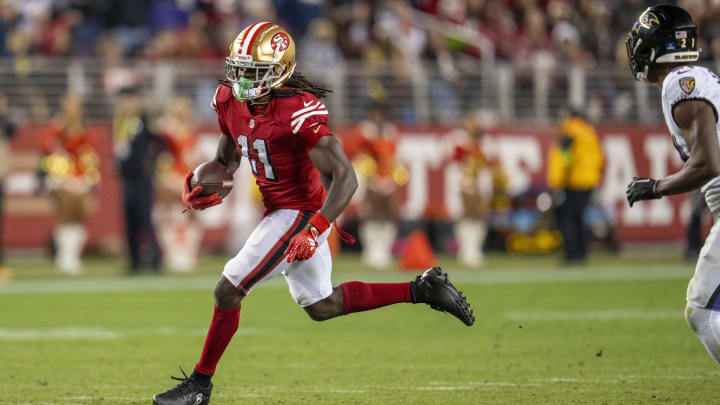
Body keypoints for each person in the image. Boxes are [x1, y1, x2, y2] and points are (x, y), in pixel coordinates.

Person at [153, 23, 475, 405]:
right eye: (238, 68)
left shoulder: (295, 109)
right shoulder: (228, 98)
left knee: (228, 287)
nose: (241, 79)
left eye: (253, 71)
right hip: (279, 209)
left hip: (300, 211)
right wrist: (208, 180)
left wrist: (315, 228)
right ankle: (422, 290)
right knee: (322, 306)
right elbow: (228, 156)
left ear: (278, 72)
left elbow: (347, 177)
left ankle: (199, 386)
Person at [625, 5, 720, 366]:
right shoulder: (691, 78)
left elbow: (709, 163)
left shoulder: (680, 83)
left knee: (702, 311)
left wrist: (656, 187)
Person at [38, 96, 99, 274]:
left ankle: (73, 255)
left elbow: (90, 159)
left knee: (79, 215)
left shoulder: (86, 133)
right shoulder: (55, 130)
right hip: (61, 179)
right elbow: (45, 147)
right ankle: (64, 255)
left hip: (80, 180)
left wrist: (86, 181)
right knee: (65, 214)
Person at [113, 87, 164, 273]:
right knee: (130, 219)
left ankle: (155, 260)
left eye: (129, 100)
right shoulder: (120, 122)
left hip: (143, 178)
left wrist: (150, 161)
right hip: (128, 178)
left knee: (145, 219)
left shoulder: (144, 120)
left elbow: (160, 142)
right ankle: (134, 261)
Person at [546, 108, 603, 264]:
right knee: (579, 218)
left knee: (565, 218)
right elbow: (598, 157)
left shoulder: (570, 131)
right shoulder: (589, 132)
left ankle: (571, 253)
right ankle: (581, 252)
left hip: (573, 181)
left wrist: (557, 181)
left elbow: (565, 157)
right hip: (589, 181)